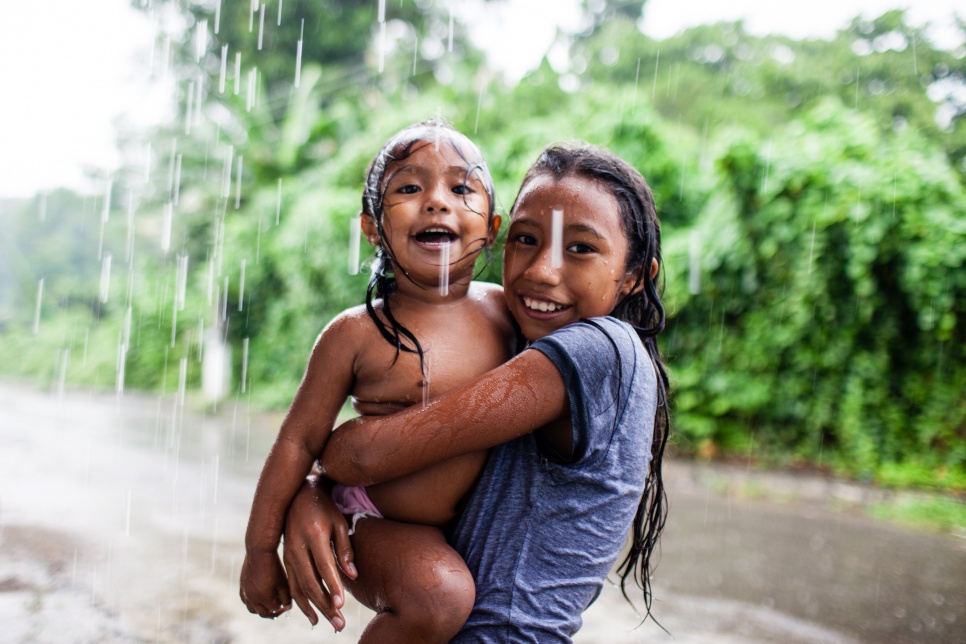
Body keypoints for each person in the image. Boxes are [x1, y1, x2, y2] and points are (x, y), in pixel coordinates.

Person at [284, 142, 672, 642]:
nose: (541, 270)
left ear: (636, 276)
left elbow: (363, 454)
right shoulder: (520, 342)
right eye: (526, 239)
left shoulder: (597, 350)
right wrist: (318, 491)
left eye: (581, 248)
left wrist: (319, 483)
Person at [239, 119, 517, 642]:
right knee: (440, 596)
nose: (436, 201)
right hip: (375, 520)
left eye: (461, 188)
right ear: (371, 228)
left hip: (471, 527)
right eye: (409, 188)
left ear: (491, 228)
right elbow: (298, 440)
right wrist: (259, 549)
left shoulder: (506, 311)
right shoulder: (356, 333)